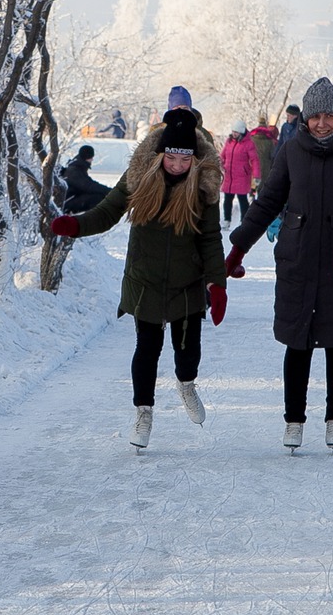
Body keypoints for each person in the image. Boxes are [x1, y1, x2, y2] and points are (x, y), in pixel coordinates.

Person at [50, 108, 228, 451]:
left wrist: (215, 284)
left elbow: (210, 238)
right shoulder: (139, 176)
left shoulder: (204, 187)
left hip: (186, 282)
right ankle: (143, 413)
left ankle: (186, 384)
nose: (177, 165)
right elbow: (108, 210)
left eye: (184, 159)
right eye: (172, 157)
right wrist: (76, 226)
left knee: (188, 350)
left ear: (194, 159)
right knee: (147, 349)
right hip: (144, 278)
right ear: (161, 154)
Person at [225, 77, 333, 452]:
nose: (323, 123)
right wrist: (239, 247)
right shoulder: (292, 151)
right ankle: (293, 420)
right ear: (306, 118)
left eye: (331, 115)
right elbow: (266, 203)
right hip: (297, 261)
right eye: (316, 116)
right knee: (297, 344)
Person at [220, 120, 259, 225]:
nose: (234, 134)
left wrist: (256, 175)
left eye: (236, 132)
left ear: (241, 132)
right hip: (229, 175)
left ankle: (244, 221)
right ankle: (227, 220)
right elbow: (223, 155)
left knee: (242, 200)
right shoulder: (229, 142)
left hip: (242, 176)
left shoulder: (249, 144)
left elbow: (254, 160)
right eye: (233, 131)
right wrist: (220, 163)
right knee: (227, 199)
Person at [60, 145, 111, 213]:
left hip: (71, 199)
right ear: (87, 157)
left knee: (99, 194)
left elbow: (89, 184)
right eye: (91, 157)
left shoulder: (77, 166)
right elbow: (89, 186)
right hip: (67, 204)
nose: (92, 159)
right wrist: (110, 191)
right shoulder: (74, 170)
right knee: (98, 197)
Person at [248, 115, 278, 189]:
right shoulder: (270, 139)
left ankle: (252, 193)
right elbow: (272, 154)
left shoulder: (252, 138)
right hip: (266, 166)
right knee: (263, 187)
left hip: (253, 166)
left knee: (254, 186)